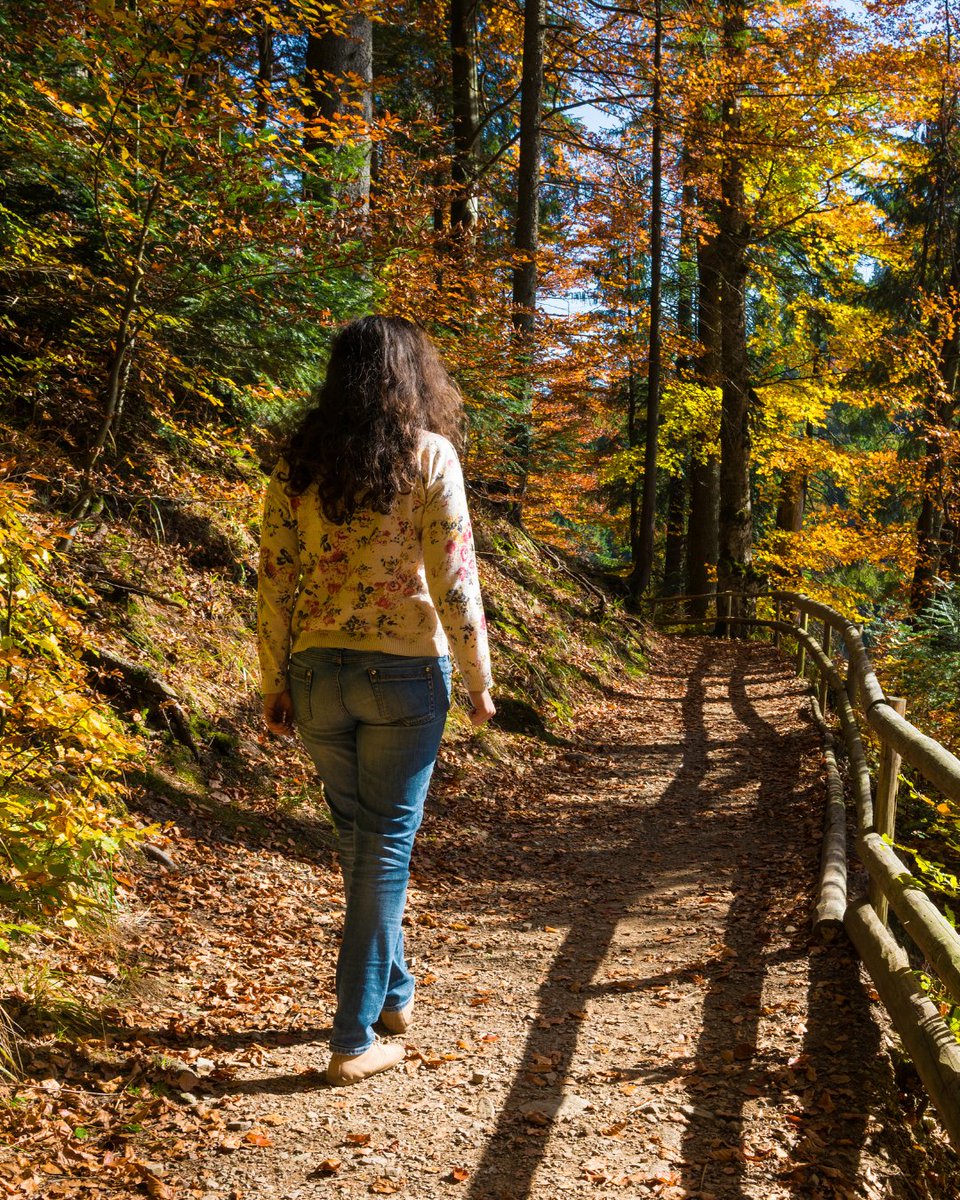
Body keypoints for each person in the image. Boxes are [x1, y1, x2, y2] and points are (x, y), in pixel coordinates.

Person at [256, 315, 495, 1087]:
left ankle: (392, 995)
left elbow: (274, 575)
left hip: (318, 674)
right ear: (413, 378)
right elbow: (455, 574)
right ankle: (353, 1038)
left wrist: (272, 679)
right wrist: (481, 677)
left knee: (364, 843)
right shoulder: (429, 455)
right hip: (402, 675)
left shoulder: (300, 463)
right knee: (384, 846)